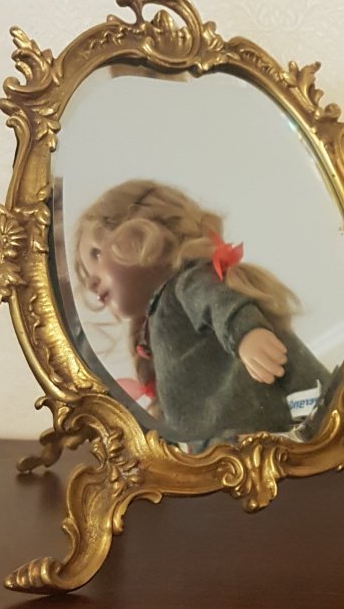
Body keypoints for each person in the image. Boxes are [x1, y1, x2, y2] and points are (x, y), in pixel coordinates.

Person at [73, 180, 329, 449]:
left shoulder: (184, 286)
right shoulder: (151, 332)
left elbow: (218, 302)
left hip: (247, 424)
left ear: (140, 233)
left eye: (96, 254)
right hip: (213, 443)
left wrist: (246, 333)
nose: (90, 282)